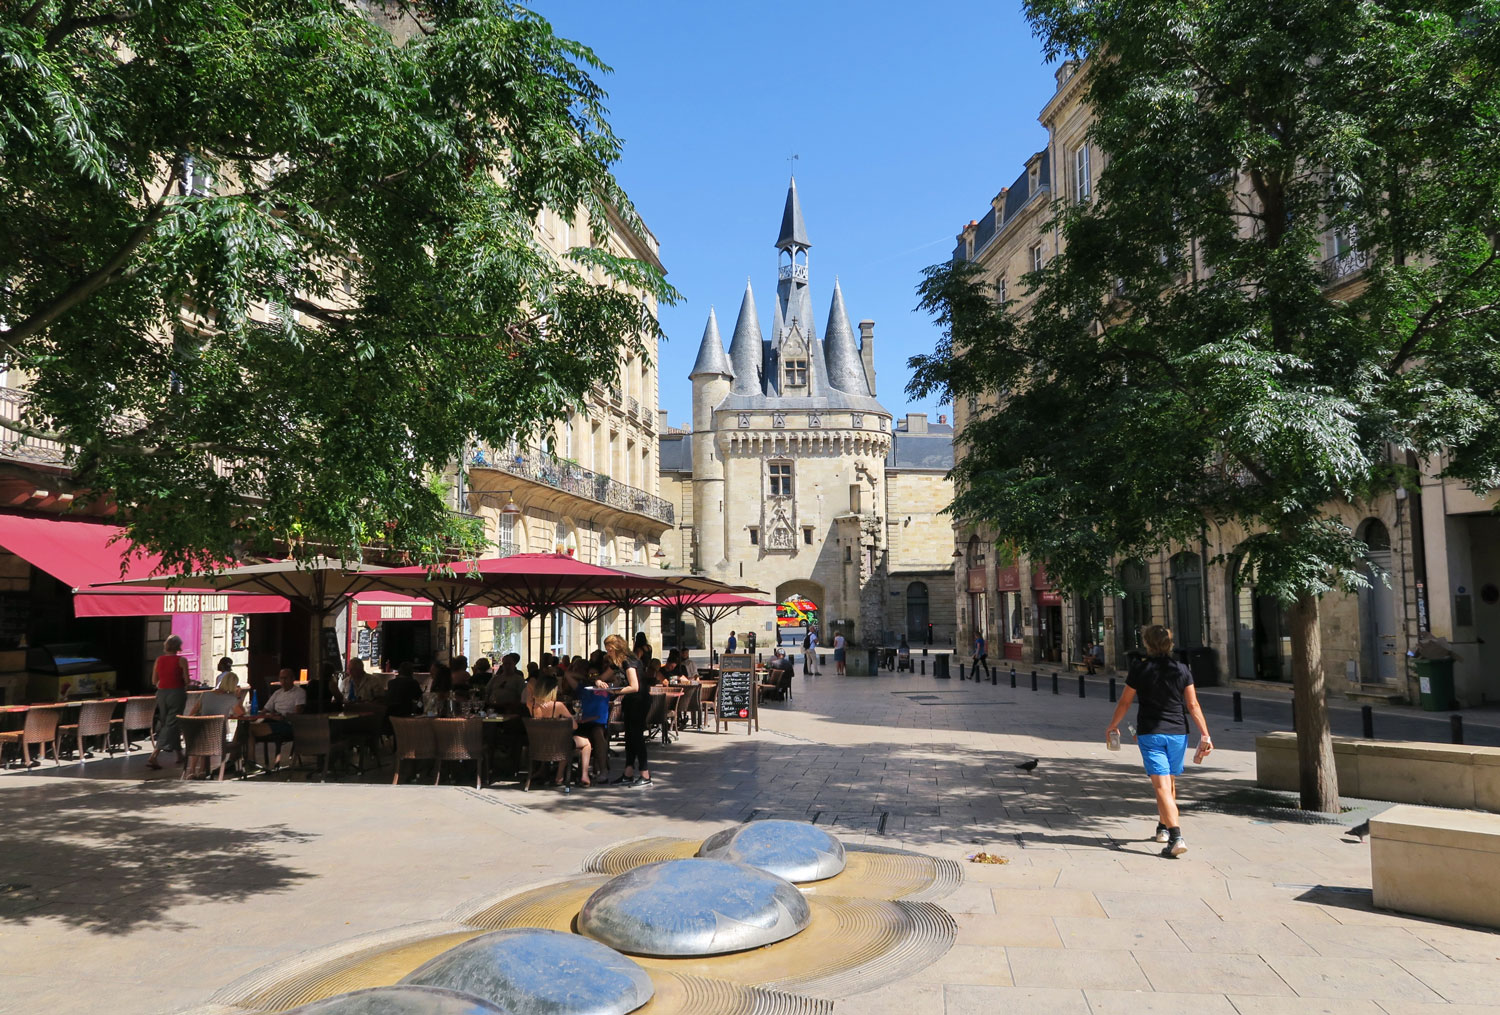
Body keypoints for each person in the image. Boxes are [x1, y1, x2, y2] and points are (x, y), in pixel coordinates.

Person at [1105, 624, 1213, 858]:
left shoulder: (1140, 669)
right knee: (1170, 782)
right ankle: (1163, 828)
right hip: (1177, 733)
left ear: (1147, 644)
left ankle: (1176, 836)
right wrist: (1205, 733)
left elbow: (1125, 702)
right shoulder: (1182, 669)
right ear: (1169, 643)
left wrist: (1113, 725)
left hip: (1151, 732)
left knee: (1161, 785)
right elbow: (1193, 705)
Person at [605, 633, 652, 787]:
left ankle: (645, 775)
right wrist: (598, 680)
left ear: (617, 648)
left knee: (637, 737)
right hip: (631, 702)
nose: (608, 653)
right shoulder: (618, 662)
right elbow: (604, 676)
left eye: (610, 650)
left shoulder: (628, 661)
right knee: (630, 738)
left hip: (639, 701)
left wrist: (616, 692)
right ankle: (628, 772)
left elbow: (634, 686)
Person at [529, 675, 591, 786]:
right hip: (557, 746)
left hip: (538, 744)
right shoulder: (557, 705)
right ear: (552, 690)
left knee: (561, 740)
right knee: (585, 743)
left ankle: (545, 771)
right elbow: (575, 726)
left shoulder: (531, 705)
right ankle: (576, 775)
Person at [186, 670, 246, 778]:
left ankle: (192, 771)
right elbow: (241, 713)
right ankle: (203, 771)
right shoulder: (231, 699)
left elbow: (193, 712)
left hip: (199, 736)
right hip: (218, 738)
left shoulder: (205, 695)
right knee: (235, 740)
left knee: (202, 738)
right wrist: (238, 698)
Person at [145, 635, 191, 770]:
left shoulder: (159, 660)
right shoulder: (182, 660)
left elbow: (154, 681)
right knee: (171, 723)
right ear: (178, 647)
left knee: (168, 723)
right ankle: (154, 755)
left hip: (161, 693)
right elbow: (187, 680)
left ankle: (179, 754)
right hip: (176, 692)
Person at [248, 668, 306, 768]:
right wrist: (256, 716)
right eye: (281, 678)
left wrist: (282, 717)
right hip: (273, 721)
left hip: (288, 725)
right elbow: (265, 710)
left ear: (292, 679)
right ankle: (247, 761)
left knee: (248, 730)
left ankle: (248, 761)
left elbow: (298, 714)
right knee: (245, 729)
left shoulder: (299, 693)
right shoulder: (277, 693)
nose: (283, 681)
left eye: (286, 678)